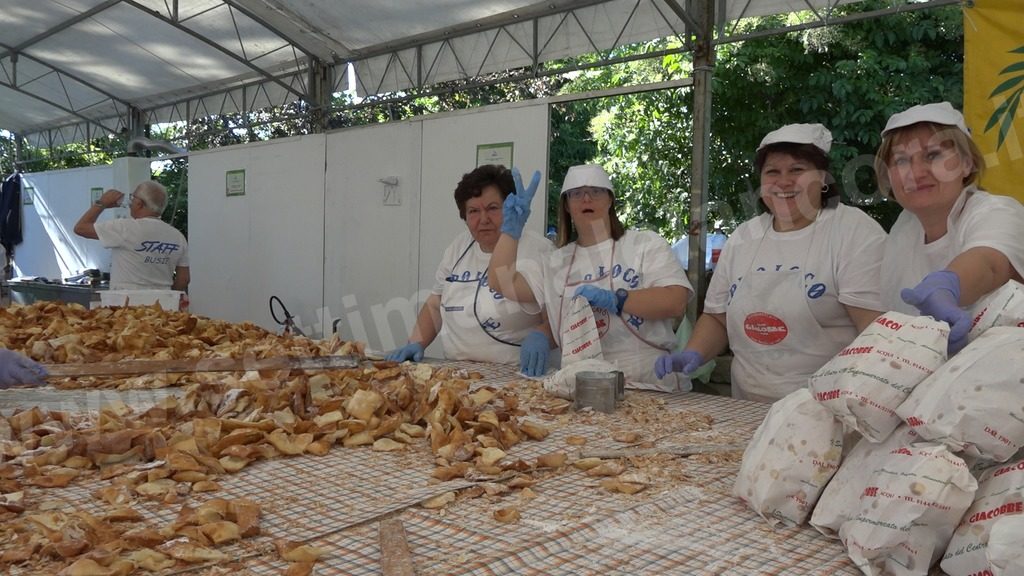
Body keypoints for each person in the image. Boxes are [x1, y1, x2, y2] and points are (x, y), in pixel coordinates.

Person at [655, 124, 886, 403]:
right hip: (748, 407)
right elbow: (718, 318)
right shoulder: (744, 237)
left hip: (827, 406)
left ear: (823, 177)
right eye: (772, 172)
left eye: (797, 170)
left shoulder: (853, 231)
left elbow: (875, 330)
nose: (784, 182)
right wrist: (694, 353)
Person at [488, 164, 692, 391]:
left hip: (650, 380)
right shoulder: (556, 261)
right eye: (576, 194)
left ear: (610, 200)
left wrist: (617, 300)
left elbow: (676, 302)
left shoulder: (645, 244)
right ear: (566, 205)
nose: (586, 199)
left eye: (595, 191)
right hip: (584, 385)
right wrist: (510, 231)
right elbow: (501, 283)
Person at [876, 102, 1024, 355]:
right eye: (901, 160)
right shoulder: (904, 229)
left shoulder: (998, 211)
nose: (916, 172)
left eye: (933, 155)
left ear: (967, 164)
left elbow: (990, 262)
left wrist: (948, 286)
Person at [385, 165, 553, 375]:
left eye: (493, 208)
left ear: (509, 207)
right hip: (457, 373)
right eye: (473, 211)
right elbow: (436, 304)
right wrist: (416, 342)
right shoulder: (458, 247)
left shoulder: (538, 250)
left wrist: (543, 336)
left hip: (517, 375)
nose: (483, 219)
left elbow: (559, 317)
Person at [74, 180, 190, 296]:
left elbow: (80, 228)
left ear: (139, 203)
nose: (130, 202)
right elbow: (184, 279)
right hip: (162, 306)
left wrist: (101, 203)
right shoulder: (178, 237)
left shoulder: (124, 228)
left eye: (132, 197)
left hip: (126, 304)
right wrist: (169, 297)